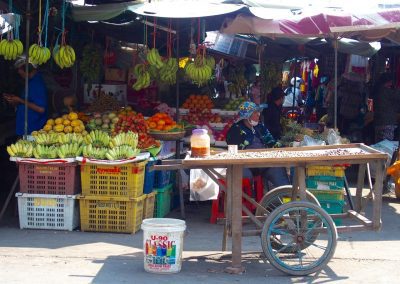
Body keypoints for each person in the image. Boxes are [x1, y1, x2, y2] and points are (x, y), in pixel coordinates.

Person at [226, 101, 290, 189]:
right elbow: (233, 151)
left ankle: (288, 196)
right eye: (255, 112)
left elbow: (271, 142)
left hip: (263, 163)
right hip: (244, 165)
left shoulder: (260, 127)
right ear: (247, 116)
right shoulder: (236, 130)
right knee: (243, 177)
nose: (258, 114)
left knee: (279, 171)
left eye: (258, 112)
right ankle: (248, 200)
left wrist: (285, 147)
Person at [3, 56, 47, 136]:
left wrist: (19, 100)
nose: (19, 73)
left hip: (32, 130)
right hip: (26, 129)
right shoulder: (30, 82)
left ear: (27, 69)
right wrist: (14, 100)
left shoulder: (37, 84)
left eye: (20, 70)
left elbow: (41, 109)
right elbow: (27, 102)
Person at [373, 73, 400, 142]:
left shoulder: (377, 90)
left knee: (379, 144)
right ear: (389, 82)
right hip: (387, 123)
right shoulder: (386, 91)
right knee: (385, 145)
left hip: (378, 122)